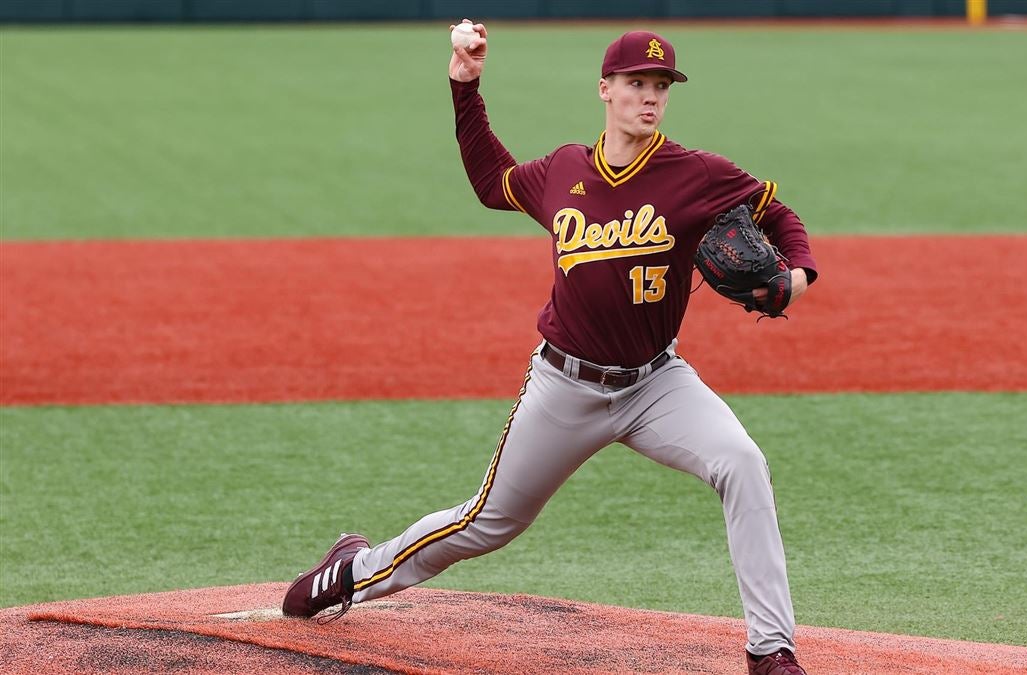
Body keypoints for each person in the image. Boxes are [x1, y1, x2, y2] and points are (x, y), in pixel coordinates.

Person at [283, 22, 817, 675]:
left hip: (656, 384)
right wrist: (465, 84)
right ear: (605, 89)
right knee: (485, 522)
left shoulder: (696, 174)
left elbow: (777, 215)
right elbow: (490, 180)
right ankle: (352, 571)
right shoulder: (564, 169)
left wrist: (797, 273)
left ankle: (771, 650)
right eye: (635, 84)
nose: (649, 97)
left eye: (660, 86)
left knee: (742, 461)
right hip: (565, 386)